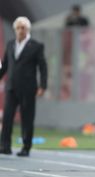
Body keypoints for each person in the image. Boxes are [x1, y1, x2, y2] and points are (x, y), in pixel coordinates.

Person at [0, 16, 47, 157]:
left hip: (28, 87)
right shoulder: (10, 44)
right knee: (7, 117)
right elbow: (5, 66)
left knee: (27, 118)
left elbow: (43, 67)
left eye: (23, 28)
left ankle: (26, 147)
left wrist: (42, 86)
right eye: (19, 28)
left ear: (28, 29)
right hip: (11, 87)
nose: (21, 30)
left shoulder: (36, 46)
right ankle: (5, 146)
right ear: (15, 29)